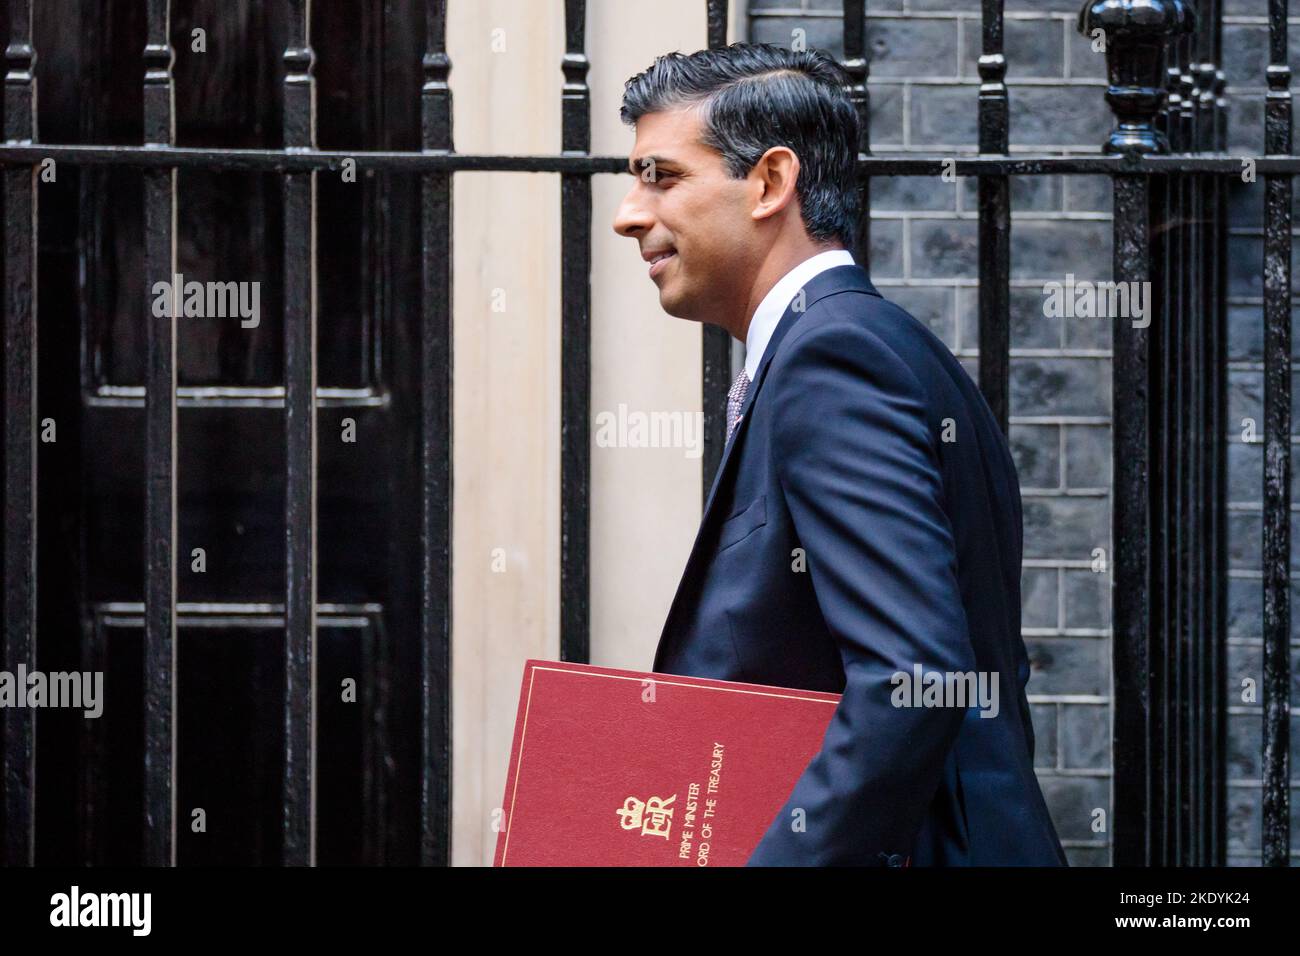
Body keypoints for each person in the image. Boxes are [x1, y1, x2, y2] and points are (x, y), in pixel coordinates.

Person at [612, 42, 1067, 867]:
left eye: (662, 176)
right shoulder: (844, 345)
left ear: (770, 184)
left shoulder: (835, 358)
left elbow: (910, 676)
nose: (628, 214)